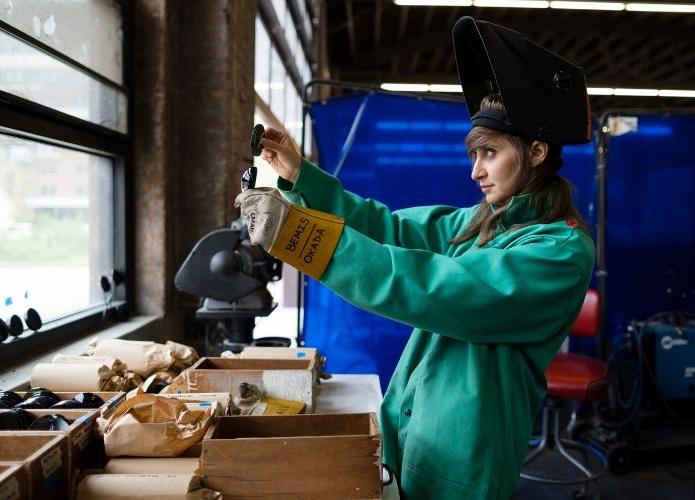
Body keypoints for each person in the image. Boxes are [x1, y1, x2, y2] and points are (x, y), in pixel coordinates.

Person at [235, 17, 595, 499]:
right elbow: (389, 229)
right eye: (474, 155)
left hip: (464, 460)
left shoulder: (560, 252)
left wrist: (305, 238)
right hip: (410, 432)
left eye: (488, 153)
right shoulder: (480, 221)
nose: (476, 172)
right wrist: (302, 178)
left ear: (535, 151)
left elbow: (436, 288)